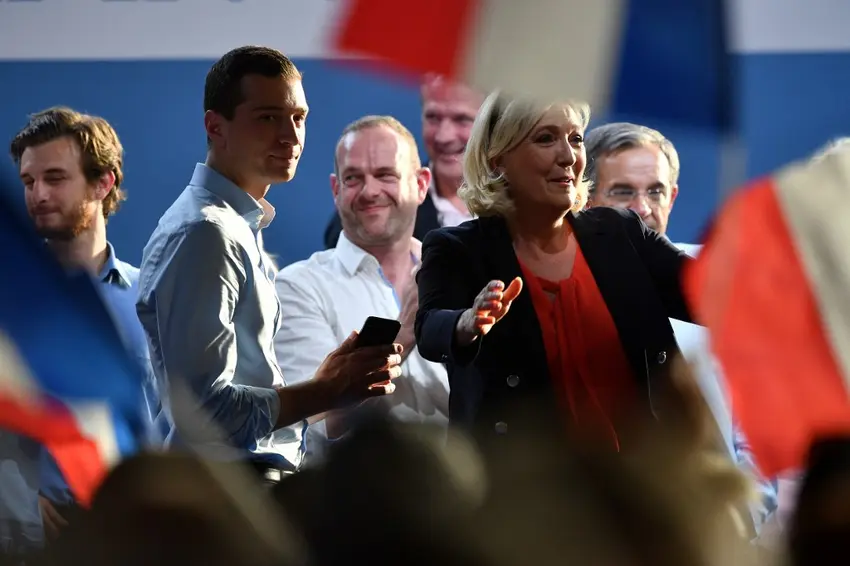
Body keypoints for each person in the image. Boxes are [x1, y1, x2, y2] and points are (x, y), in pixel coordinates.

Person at [136, 46, 402, 477]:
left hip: (241, 486)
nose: (291, 137)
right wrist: (326, 390)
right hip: (225, 493)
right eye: (267, 118)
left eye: (298, 117)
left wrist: (324, 387)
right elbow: (206, 414)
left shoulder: (232, 226)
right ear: (215, 126)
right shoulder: (206, 232)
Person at [414, 90, 693, 448]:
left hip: (641, 475)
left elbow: (708, 294)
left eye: (575, 139)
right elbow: (430, 329)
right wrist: (466, 322)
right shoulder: (459, 248)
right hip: (519, 477)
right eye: (546, 139)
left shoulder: (619, 232)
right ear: (499, 160)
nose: (569, 156)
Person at [584, 121, 778, 533]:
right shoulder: (561, 290)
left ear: (672, 196)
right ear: (586, 200)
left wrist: (741, 515)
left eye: (655, 191)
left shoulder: (719, 290)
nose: (642, 208)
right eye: (623, 192)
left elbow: (758, 432)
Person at [9, 107, 159, 544]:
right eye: (28, 181)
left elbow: (171, 419)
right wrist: (18, 502)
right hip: (32, 540)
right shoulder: (9, 306)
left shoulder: (151, 297)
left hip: (137, 532)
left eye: (55, 178)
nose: (38, 195)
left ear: (103, 183)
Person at [274, 115, 449, 461]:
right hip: (359, 490)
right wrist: (406, 333)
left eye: (385, 175)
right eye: (353, 178)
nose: (369, 192)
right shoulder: (298, 288)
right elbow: (311, 431)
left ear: (421, 184)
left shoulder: (455, 276)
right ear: (336, 190)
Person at [323, 75, 483, 248]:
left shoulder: (507, 204)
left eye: (462, 119)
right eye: (433, 118)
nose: (444, 136)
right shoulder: (365, 214)